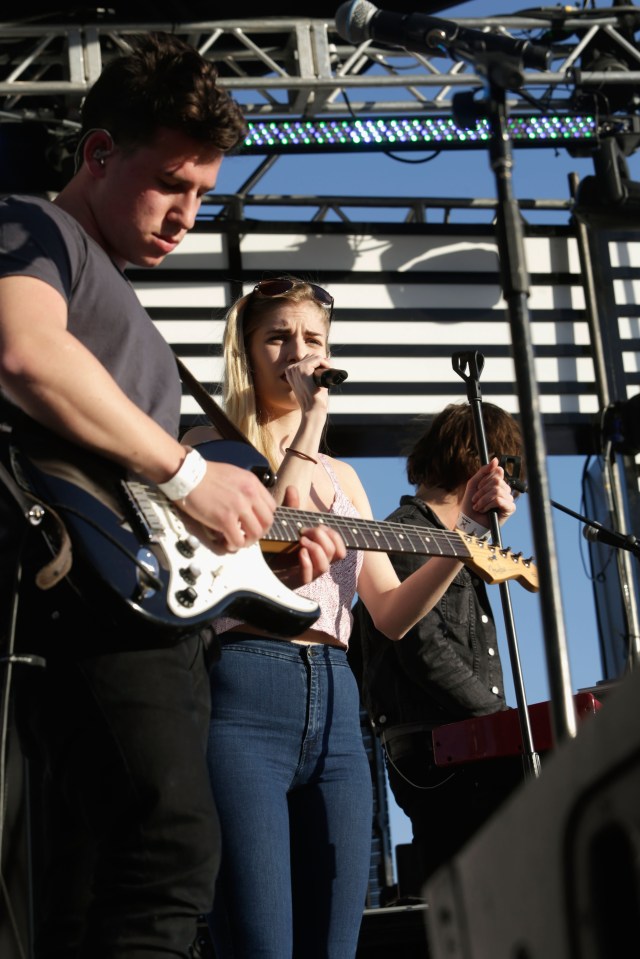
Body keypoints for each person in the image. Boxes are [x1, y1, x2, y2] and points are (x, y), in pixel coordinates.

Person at [0, 36, 345, 959]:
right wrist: (192, 474)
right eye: (171, 185)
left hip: (152, 604)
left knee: (92, 878)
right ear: (99, 153)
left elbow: (165, 487)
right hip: (96, 602)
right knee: (170, 852)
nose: (189, 214)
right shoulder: (30, 228)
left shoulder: (125, 306)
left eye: (203, 194)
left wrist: (263, 542)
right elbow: (27, 353)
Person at [181, 276, 517, 959]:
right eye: (278, 337)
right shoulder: (204, 447)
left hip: (336, 699)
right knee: (259, 942)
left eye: (313, 340)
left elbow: (391, 613)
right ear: (246, 350)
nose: (298, 354)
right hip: (244, 690)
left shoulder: (345, 478)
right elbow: (269, 529)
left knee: (335, 944)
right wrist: (311, 418)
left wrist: (465, 539)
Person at [350, 402, 529, 895]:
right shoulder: (410, 533)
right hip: (439, 750)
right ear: (483, 465)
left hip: (457, 743)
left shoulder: (444, 539)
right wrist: (504, 724)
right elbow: (423, 648)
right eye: (506, 471)